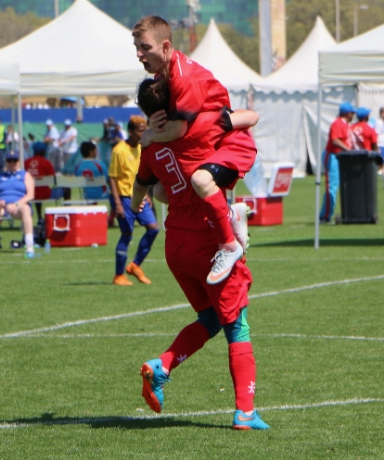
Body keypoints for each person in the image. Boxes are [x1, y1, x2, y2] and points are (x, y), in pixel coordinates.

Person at [131, 80, 269, 431]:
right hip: (208, 239)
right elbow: (251, 117)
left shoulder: (150, 145)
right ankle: (245, 413)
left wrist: (136, 205)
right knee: (237, 325)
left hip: (176, 243)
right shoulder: (197, 126)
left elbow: (149, 187)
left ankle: (162, 365)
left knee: (209, 319)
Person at [133, 16, 256, 282]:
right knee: (164, 191)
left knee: (200, 180)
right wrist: (154, 125)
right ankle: (229, 214)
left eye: (144, 47)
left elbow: (179, 130)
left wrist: (151, 134)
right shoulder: (162, 74)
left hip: (227, 141)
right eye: (136, 47)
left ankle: (228, 246)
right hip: (206, 141)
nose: (139, 54)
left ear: (165, 46)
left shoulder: (183, 78)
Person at [109, 115, 159, 286]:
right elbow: (113, 178)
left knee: (153, 229)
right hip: (123, 198)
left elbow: (142, 176)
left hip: (138, 196)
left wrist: (146, 195)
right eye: (140, 131)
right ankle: (118, 275)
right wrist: (116, 203)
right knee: (126, 234)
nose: (143, 133)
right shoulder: (119, 150)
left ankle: (135, 265)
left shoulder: (143, 147)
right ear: (130, 132)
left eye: (145, 130)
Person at [320, 102, 355, 223]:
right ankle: (325, 216)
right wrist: (348, 149)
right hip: (332, 156)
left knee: (334, 187)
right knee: (332, 187)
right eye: (352, 112)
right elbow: (335, 140)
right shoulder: (337, 123)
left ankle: (325, 214)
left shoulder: (345, 124)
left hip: (340, 157)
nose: (353, 115)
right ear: (347, 113)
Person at [24, 141, 60, 221]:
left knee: (36, 190)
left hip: (28, 194)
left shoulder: (26, 162)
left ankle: (40, 217)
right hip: (45, 194)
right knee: (66, 190)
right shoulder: (46, 162)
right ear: (42, 151)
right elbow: (53, 179)